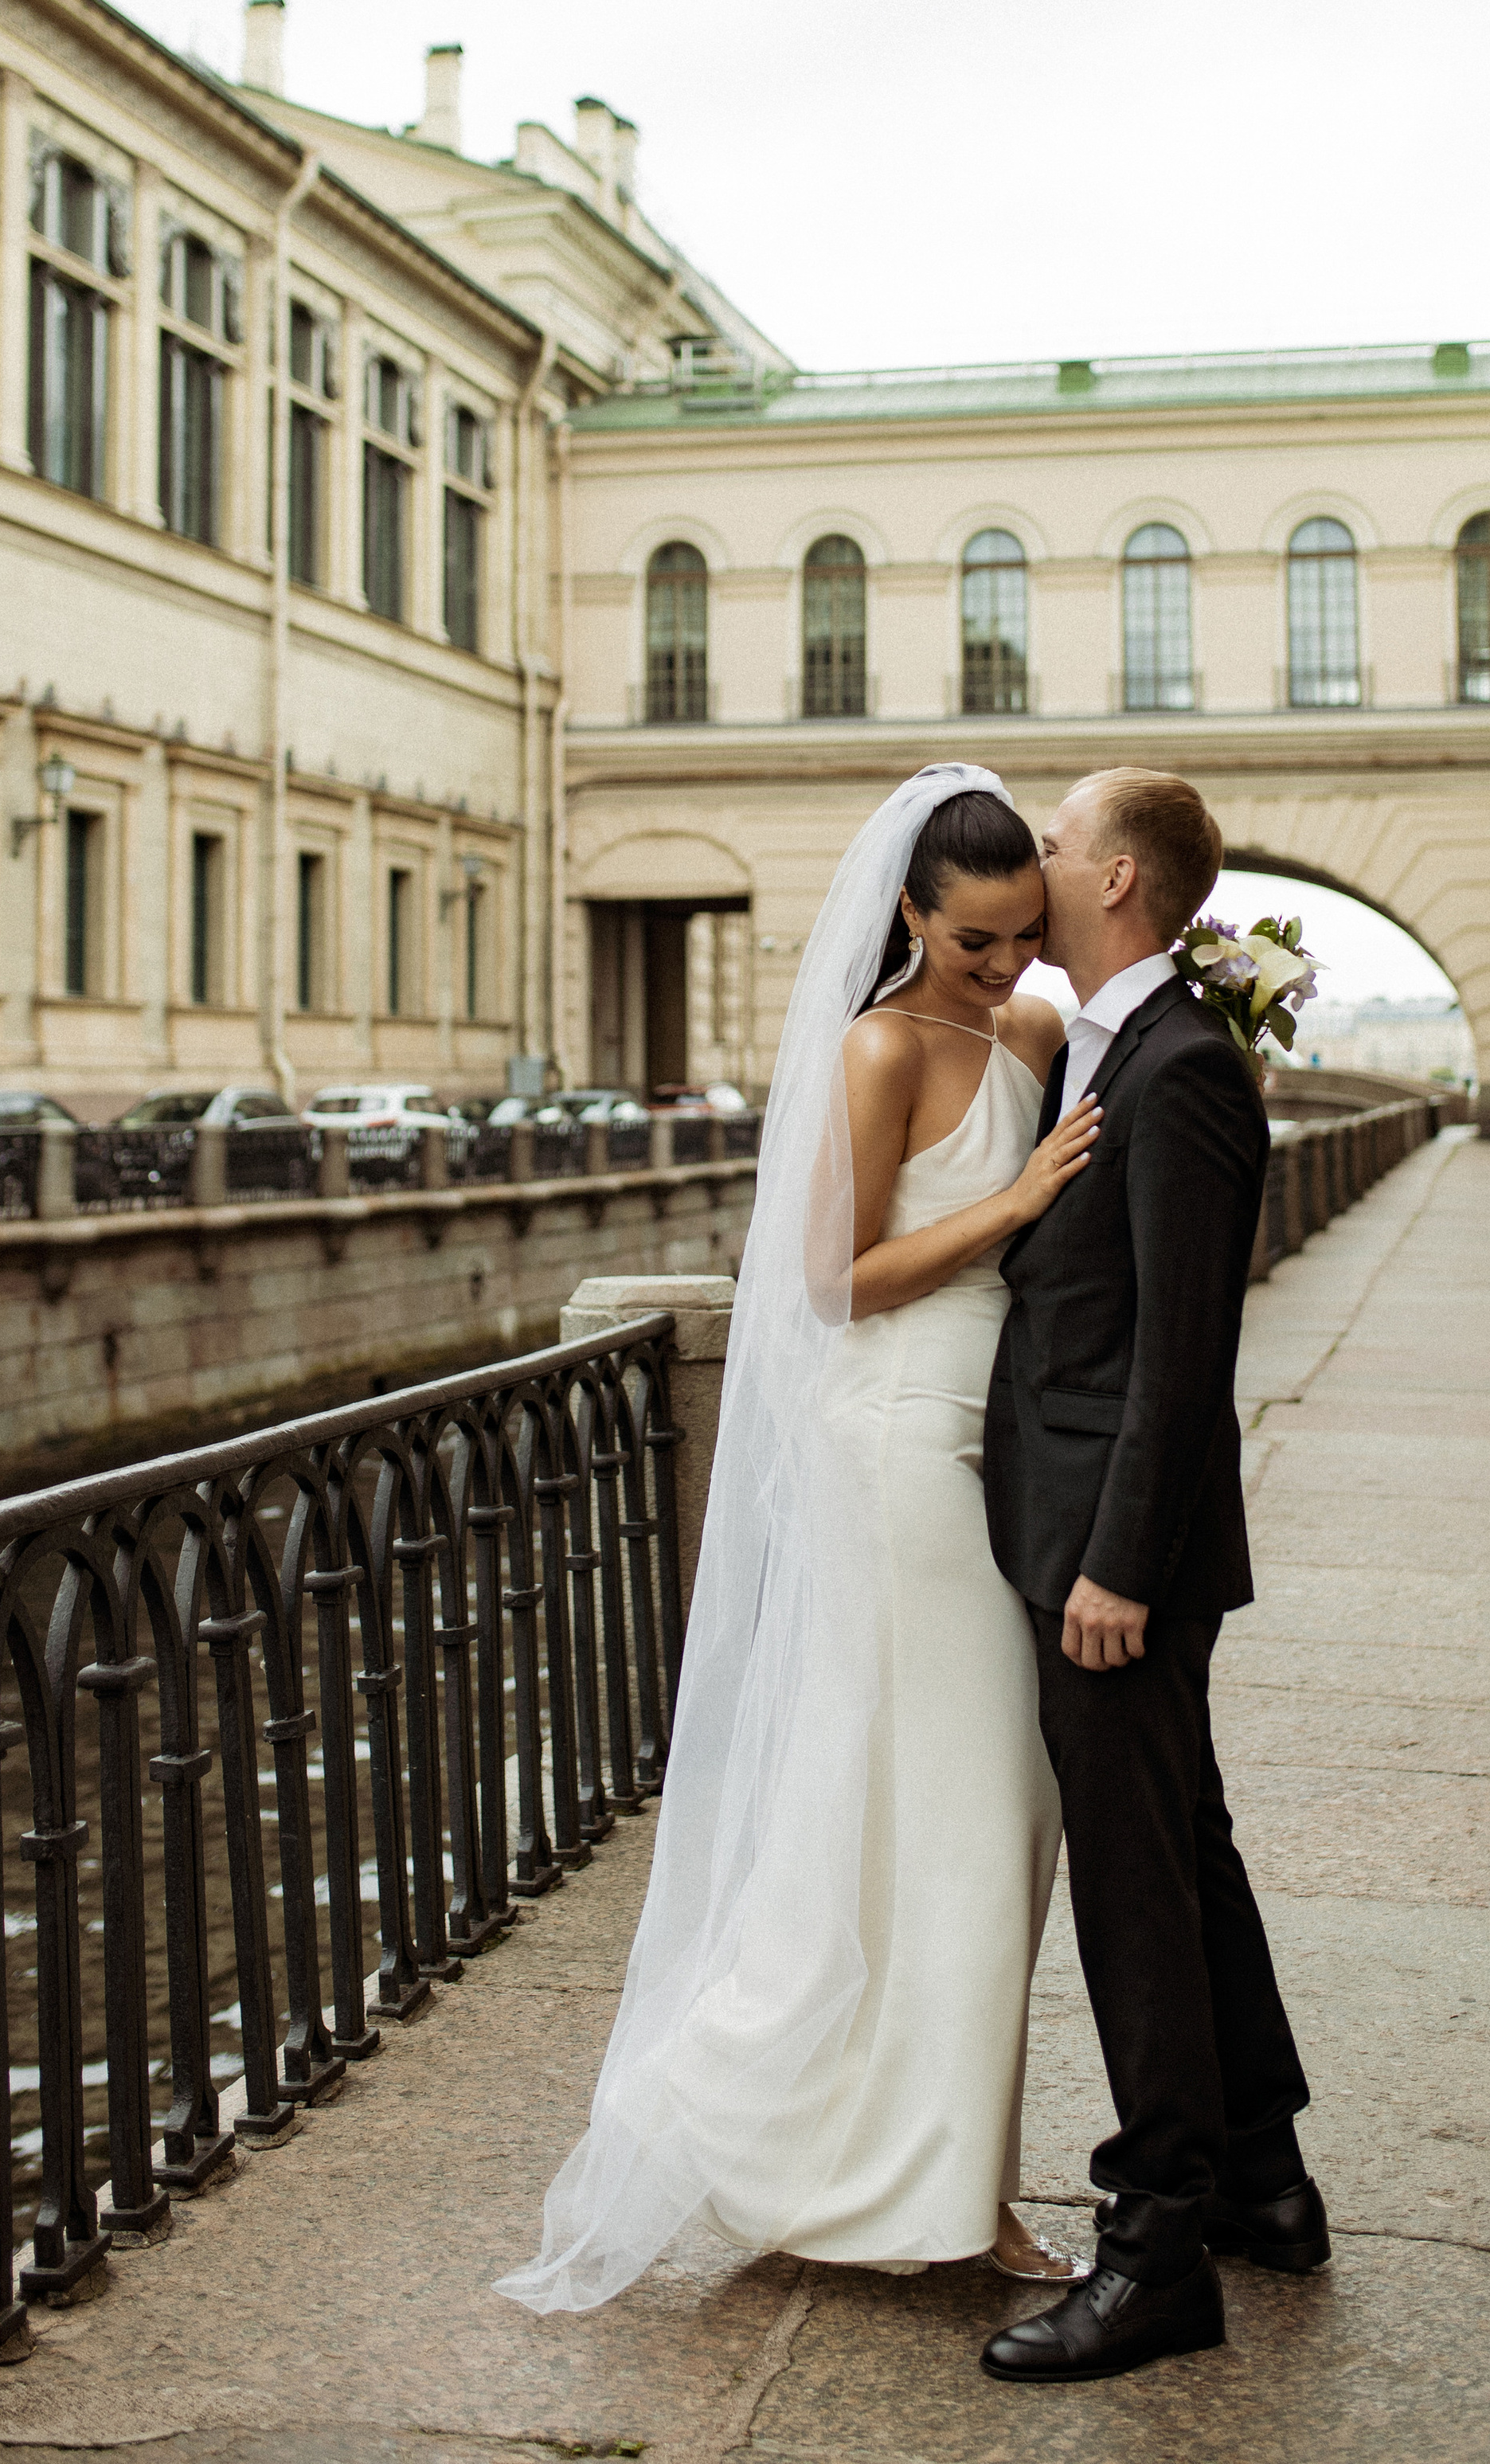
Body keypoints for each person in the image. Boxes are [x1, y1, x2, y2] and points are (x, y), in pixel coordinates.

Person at [498, 765, 1105, 2310]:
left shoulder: (1032, 1026)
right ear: (907, 913)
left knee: (974, 1821)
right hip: (900, 1442)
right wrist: (1017, 1198)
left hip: (1001, 1449)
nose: (1003, 967)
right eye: (974, 940)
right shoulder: (880, 1045)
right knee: (965, 1818)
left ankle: (871, 2151)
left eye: (1023, 936)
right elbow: (832, 1282)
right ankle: (949, 2200)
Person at [977, 767, 1324, 2385]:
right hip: (1097, 1536)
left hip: (1110, 1555)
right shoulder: (1126, 1042)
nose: (1031, 863)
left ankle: (1158, 2242)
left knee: (1134, 1889)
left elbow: (1183, 1354)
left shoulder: (1178, 1066)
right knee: (1183, 1848)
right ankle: (1260, 2174)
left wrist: (1111, 1566)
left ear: (1114, 877)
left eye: (1051, 843)